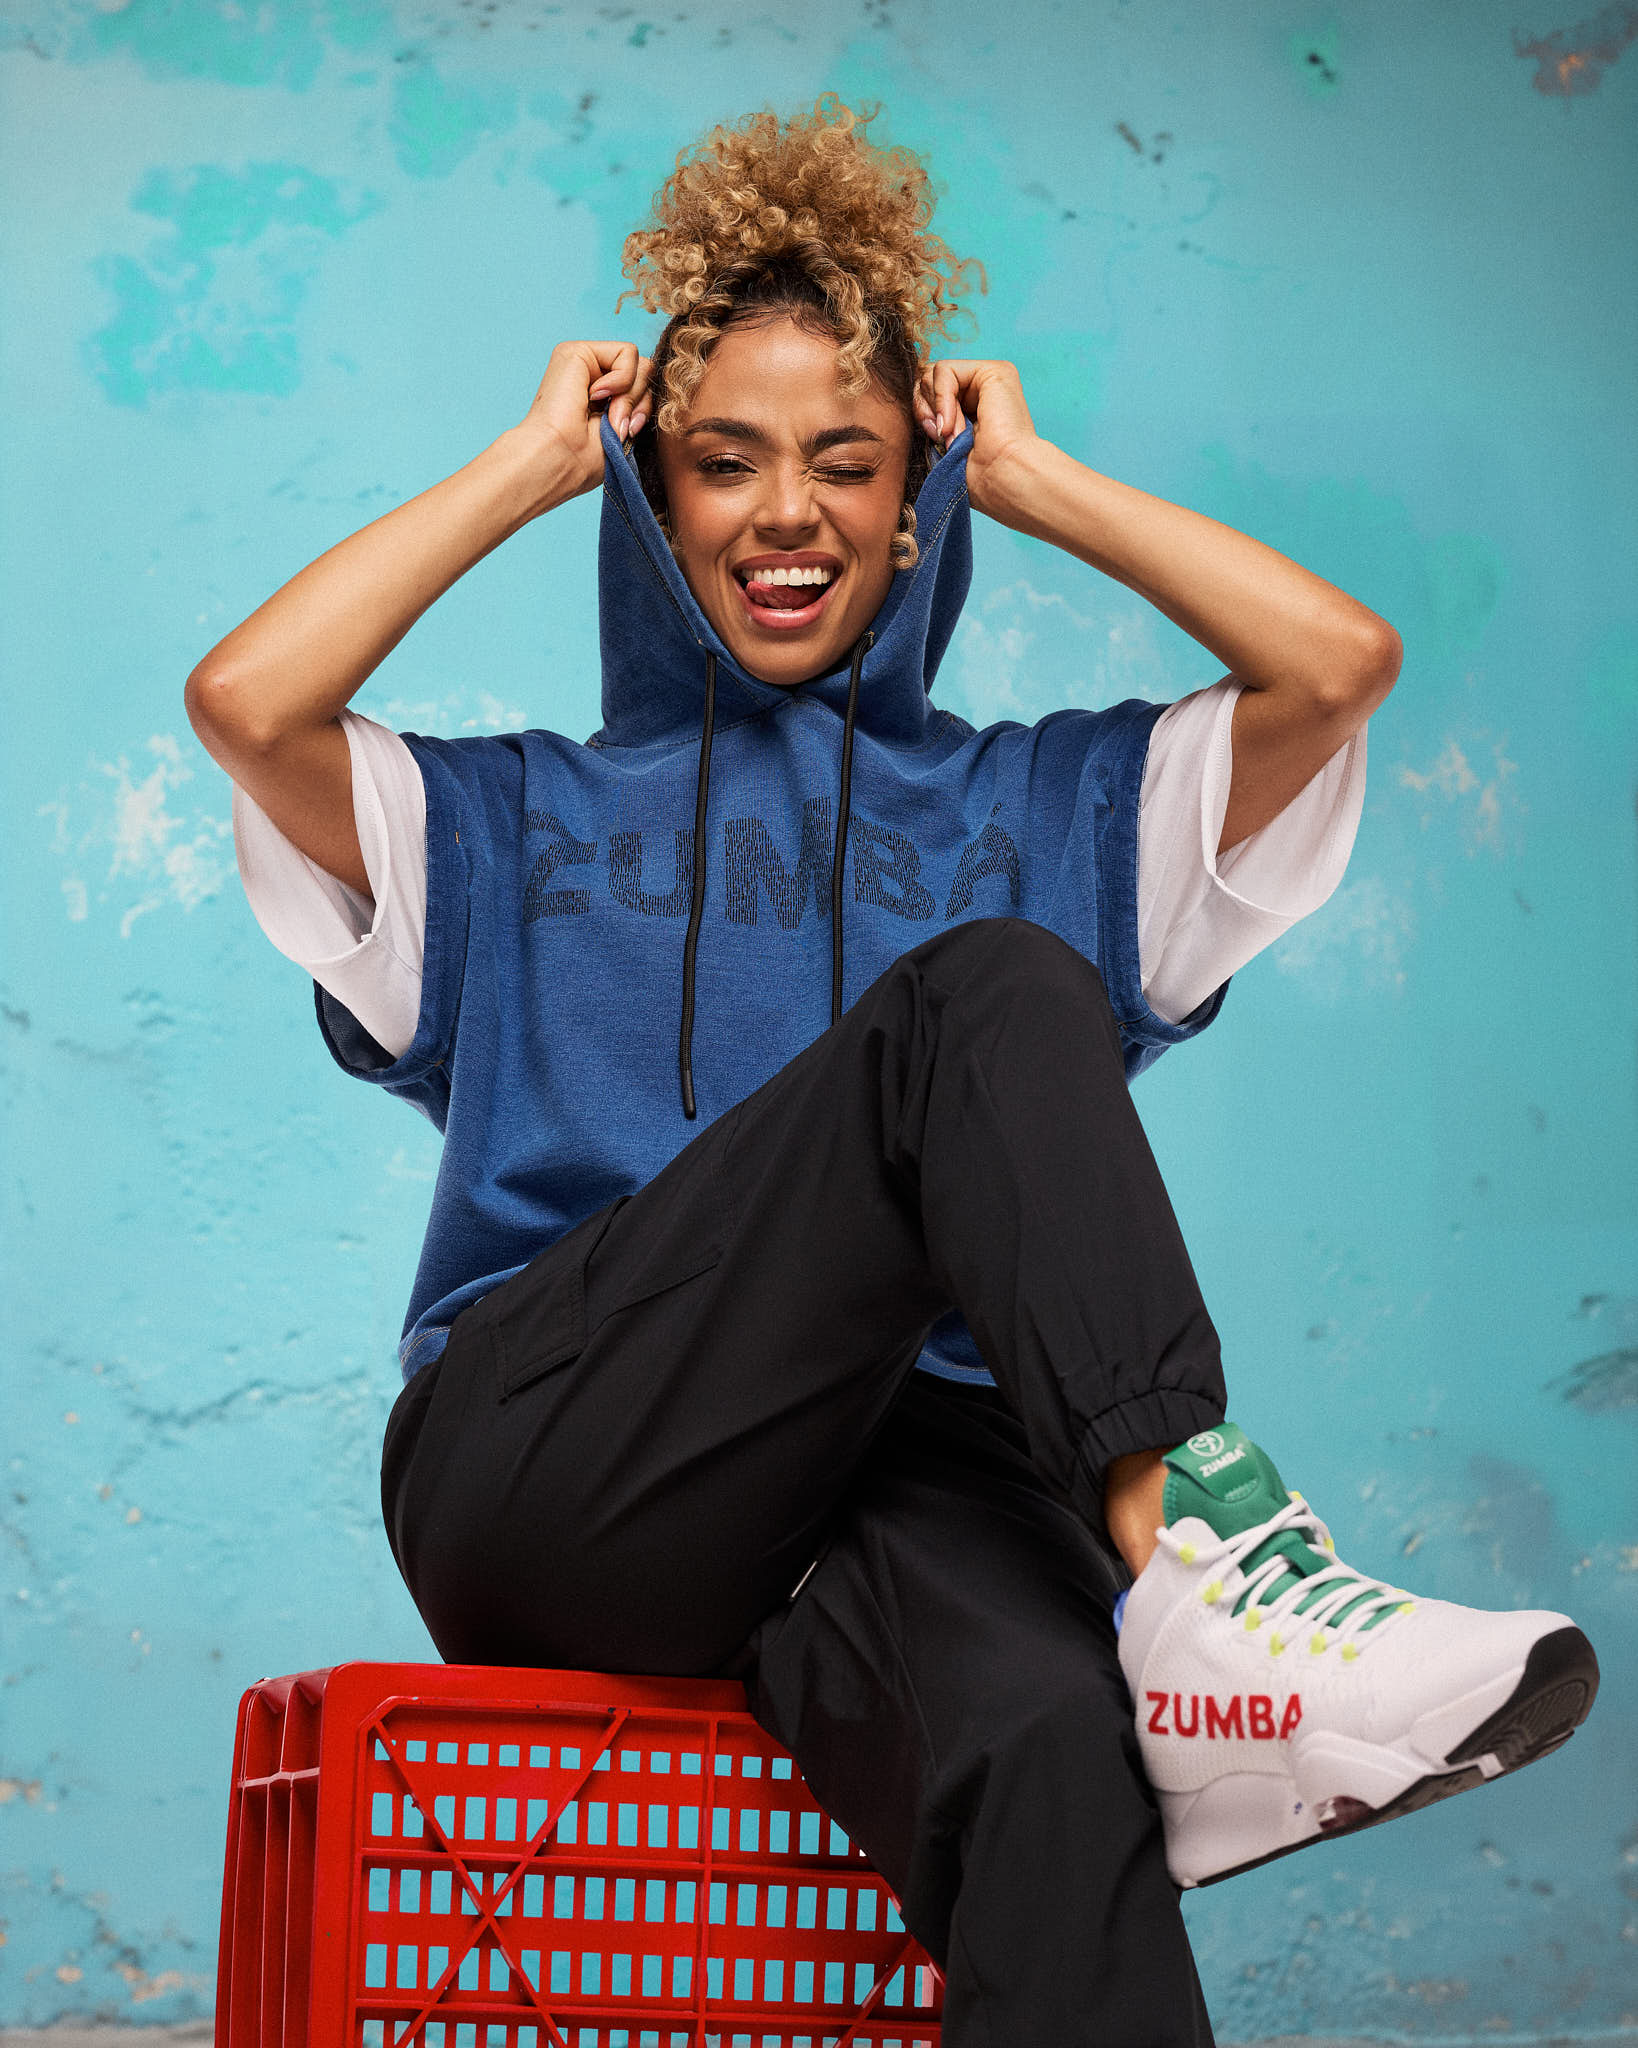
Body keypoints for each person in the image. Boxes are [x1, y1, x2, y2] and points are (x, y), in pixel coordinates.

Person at [188, 95, 1598, 2047]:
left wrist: (1041, 479)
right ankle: (1215, 1568)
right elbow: (249, 704)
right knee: (987, 993)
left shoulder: (1053, 801)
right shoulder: (500, 824)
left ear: (916, 502)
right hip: (568, 1460)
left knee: (1052, 1748)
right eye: (724, 464)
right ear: (653, 498)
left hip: (901, 1477)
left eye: (846, 464)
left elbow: (1334, 666)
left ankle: (1202, 1643)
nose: (786, 515)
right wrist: (527, 464)